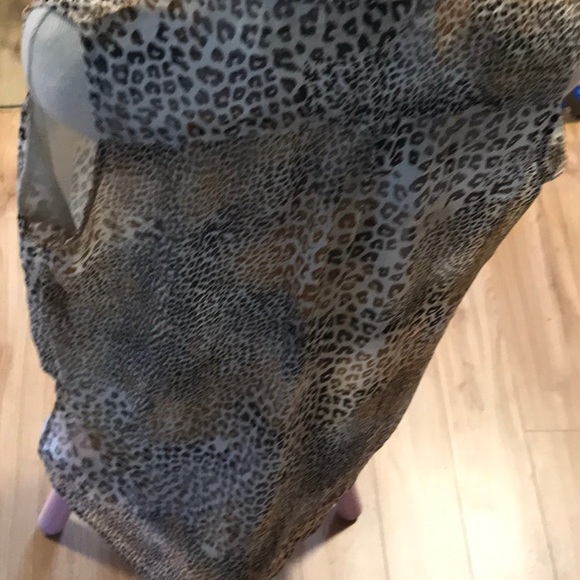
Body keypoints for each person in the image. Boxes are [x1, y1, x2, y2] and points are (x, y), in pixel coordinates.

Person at [18, 1, 580, 578]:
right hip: (347, 364)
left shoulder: (90, 40)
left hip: (155, 354)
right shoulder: (546, 28)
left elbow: (52, 230)